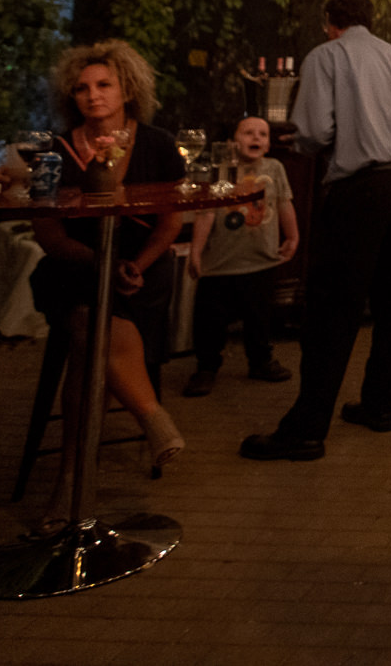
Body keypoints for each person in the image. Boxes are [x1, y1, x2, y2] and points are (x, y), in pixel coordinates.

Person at [242, 0, 391, 462]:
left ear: (330, 22)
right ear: (369, 19)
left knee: (333, 307)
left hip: (360, 189)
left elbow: (314, 131)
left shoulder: (326, 56)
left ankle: (307, 429)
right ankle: (379, 406)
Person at [27, 39, 189, 515]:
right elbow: (49, 235)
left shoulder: (158, 143)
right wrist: (99, 263)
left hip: (143, 267)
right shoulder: (52, 151)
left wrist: (136, 265)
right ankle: (151, 418)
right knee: (85, 313)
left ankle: (71, 479)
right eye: (81, 88)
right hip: (75, 265)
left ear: (127, 89)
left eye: (104, 85)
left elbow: (170, 223)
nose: (93, 95)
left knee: (86, 338)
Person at [183, 116, 298, 396]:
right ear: (234, 141)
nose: (255, 138)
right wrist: (196, 251)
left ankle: (260, 361)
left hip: (261, 261)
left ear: (269, 143)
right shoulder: (221, 170)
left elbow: (284, 204)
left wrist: (292, 236)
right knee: (209, 320)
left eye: (262, 134)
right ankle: (206, 367)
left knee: (259, 317)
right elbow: (207, 212)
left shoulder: (274, 169)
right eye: (248, 133)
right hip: (220, 265)